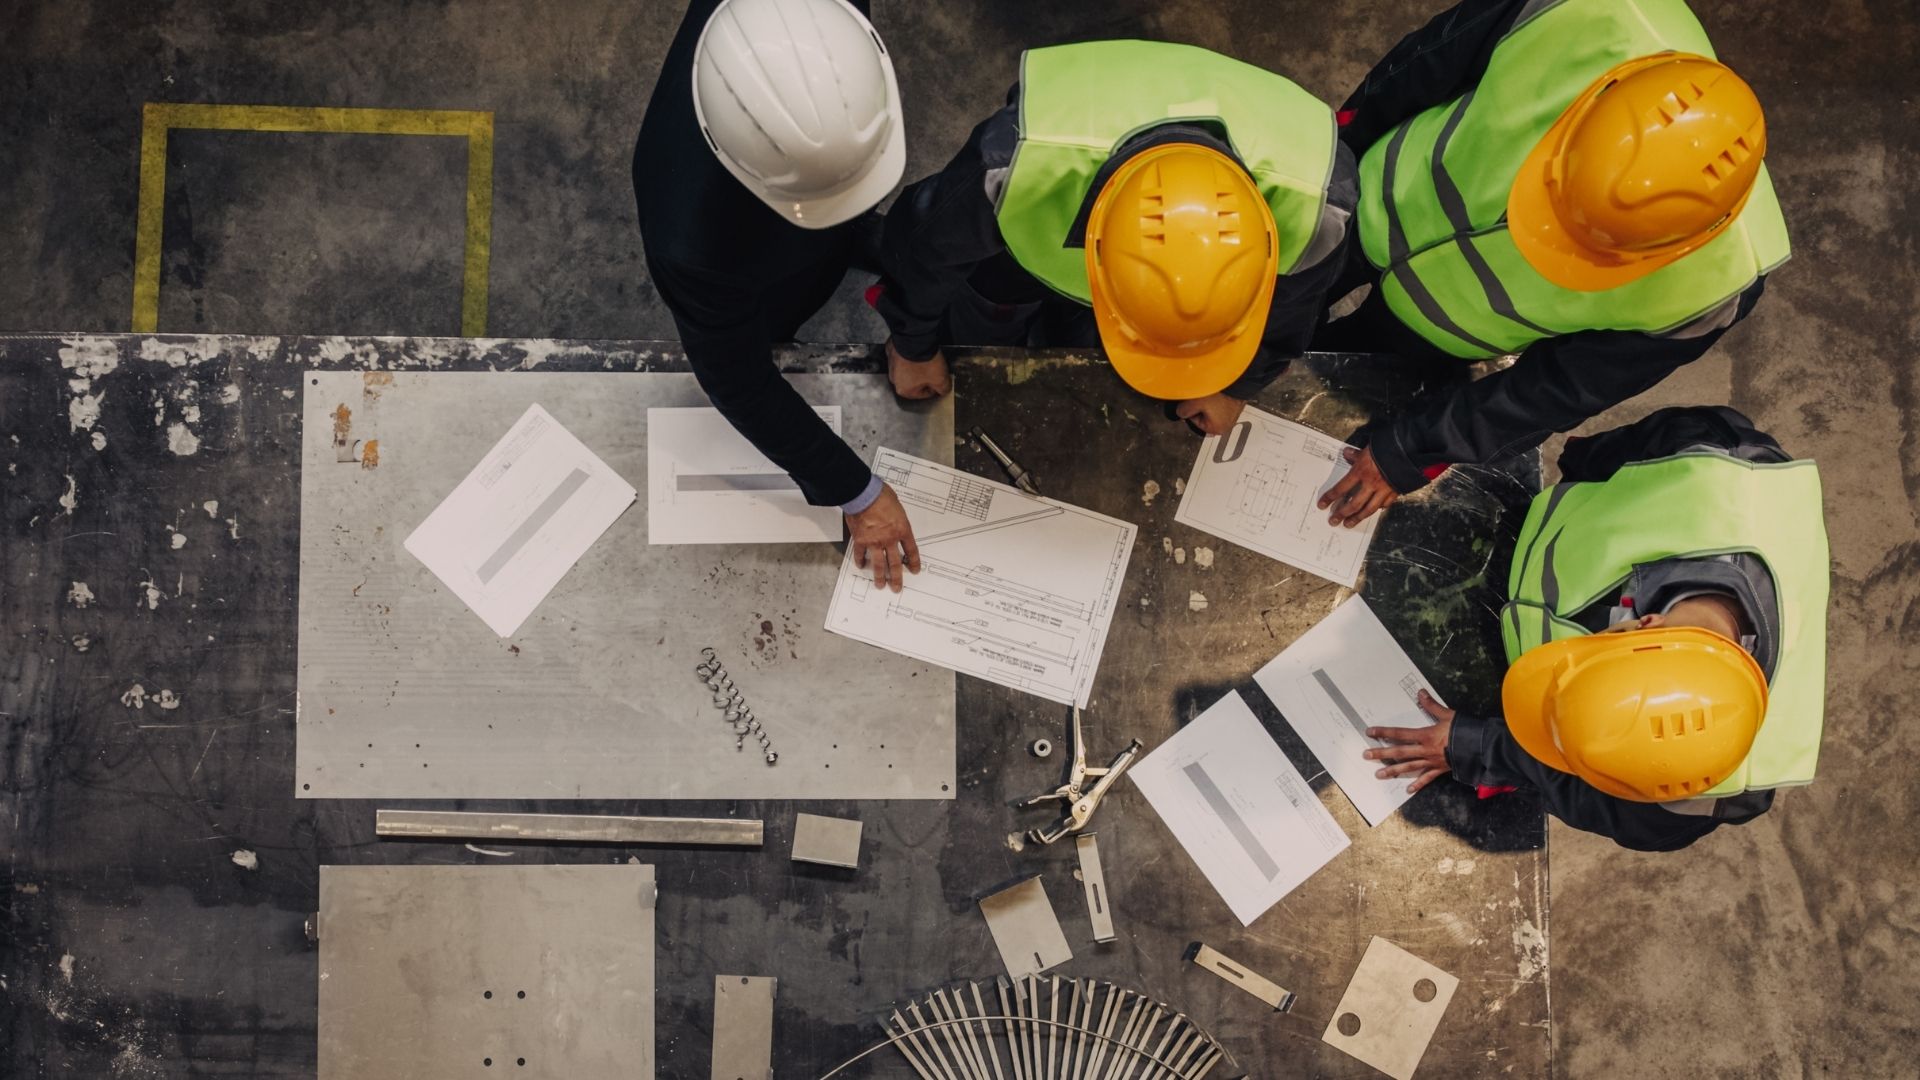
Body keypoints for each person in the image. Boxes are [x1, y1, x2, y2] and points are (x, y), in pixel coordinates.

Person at [1313, 0, 1790, 527]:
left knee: (1327, 381)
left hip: (1440, 328)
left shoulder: (1713, 288)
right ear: (1586, 109)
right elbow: (1416, 69)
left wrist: (1411, 449)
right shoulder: (1583, 15)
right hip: (1371, 195)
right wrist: (1329, 169)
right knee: (1278, 302)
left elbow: (1553, 391)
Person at [1363, 406, 1829, 851]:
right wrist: (1583, 464)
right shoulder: (1715, 466)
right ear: (1643, 622)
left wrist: (1482, 747)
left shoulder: (1698, 793)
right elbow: (1628, 447)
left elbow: (1598, 796)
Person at [874, 40, 1356, 436]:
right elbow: (922, 245)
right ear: (1091, 246)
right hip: (1022, 248)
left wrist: (1235, 385)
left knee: (1085, 348)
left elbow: (1292, 311)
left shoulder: (1319, 205)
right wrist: (913, 345)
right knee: (983, 332)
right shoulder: (1015, 167)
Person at [633, 0, 944, 590]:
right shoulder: (691, 240)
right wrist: (858, 491)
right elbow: (739, 380)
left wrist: (912, 322)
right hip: (751, 264)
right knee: (774, 327)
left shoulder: (828, 41)